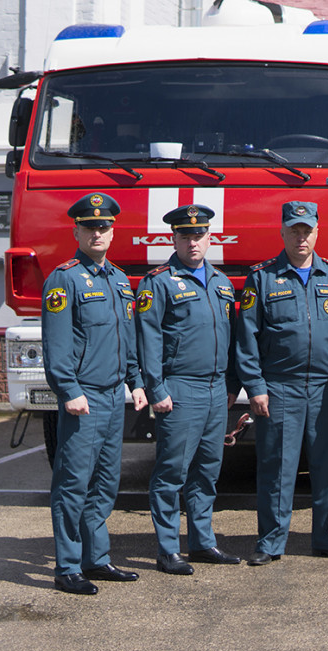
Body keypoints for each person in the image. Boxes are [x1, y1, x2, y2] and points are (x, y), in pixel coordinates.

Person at [234, 201, 328, 566]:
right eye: (294, 230)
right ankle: (271, 542)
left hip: (326, 387)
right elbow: (247, 338)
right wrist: (255, 386)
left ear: (317, 231)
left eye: (307, 230)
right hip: (280, 386)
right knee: (277, 467)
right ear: (282, 232)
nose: (301, 237)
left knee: (327, 466)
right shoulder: (263, 278)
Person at [42, 192, 148, 595]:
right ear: (77, 231)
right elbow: (56, 343)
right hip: (83, 397)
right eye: (90, 227)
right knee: (73, 483)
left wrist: (135, 381)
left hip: (112, 397)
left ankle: (97, 559)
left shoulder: (120, 280)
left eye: (104, 226)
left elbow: (128, 338)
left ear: (113, 230)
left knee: (106, 483)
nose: (97, 232)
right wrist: (68, 390)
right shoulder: (64, 278)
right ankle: (67, 566)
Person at [136, 204, 242, 575]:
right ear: (174, 239)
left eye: (199, 235)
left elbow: (232, 340)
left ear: (210, 238)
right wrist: (156, 388)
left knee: (207, 472)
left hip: (216, 390)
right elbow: (147, 339)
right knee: (171, 472)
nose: (193, 242)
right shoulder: (158, 282)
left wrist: (232, 384)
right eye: (185, 236)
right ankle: (168, 549)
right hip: (179, 389)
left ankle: (202, 542)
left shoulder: (222, 282)